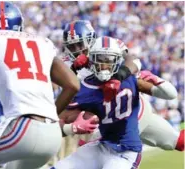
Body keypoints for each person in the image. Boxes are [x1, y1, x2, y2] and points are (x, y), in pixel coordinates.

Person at [0, 2, 81, 169]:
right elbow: (73, 84)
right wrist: (51, 115)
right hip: (52, 136)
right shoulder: (41, 42)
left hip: (23, 129)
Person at [60, 20, 184, 152]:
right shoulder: (66, 64)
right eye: (72, 46)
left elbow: (134, 60)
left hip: (132, 110)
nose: (76, 50)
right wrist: (74, 69)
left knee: (179, 142)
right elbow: (69, 95)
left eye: (79, 44)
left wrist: (118, 77)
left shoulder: (107, 45)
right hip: (104, 120)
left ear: (91, 39)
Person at [51, 36, 155, 169]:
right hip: (101, 142)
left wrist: (119, 78)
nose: (104, 64)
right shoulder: (83, 82)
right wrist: (71, 127)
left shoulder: (128, 77)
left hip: (124, 148)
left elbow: (133, 59)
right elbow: (53, 121)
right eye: (100, 58)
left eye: (109, 59)